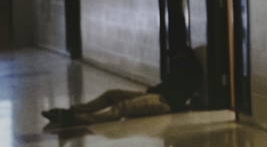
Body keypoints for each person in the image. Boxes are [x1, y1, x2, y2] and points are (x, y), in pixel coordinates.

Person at [42, 45, 203, 126]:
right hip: (154, 94)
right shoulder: (181, 68)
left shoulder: (192, 74)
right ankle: (76, 110)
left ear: (183, 56)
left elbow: (177, 96)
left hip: (164, 103)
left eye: (175, 57)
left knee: (123, 108)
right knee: (112, 94)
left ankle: (76, 118)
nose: (172, 60)